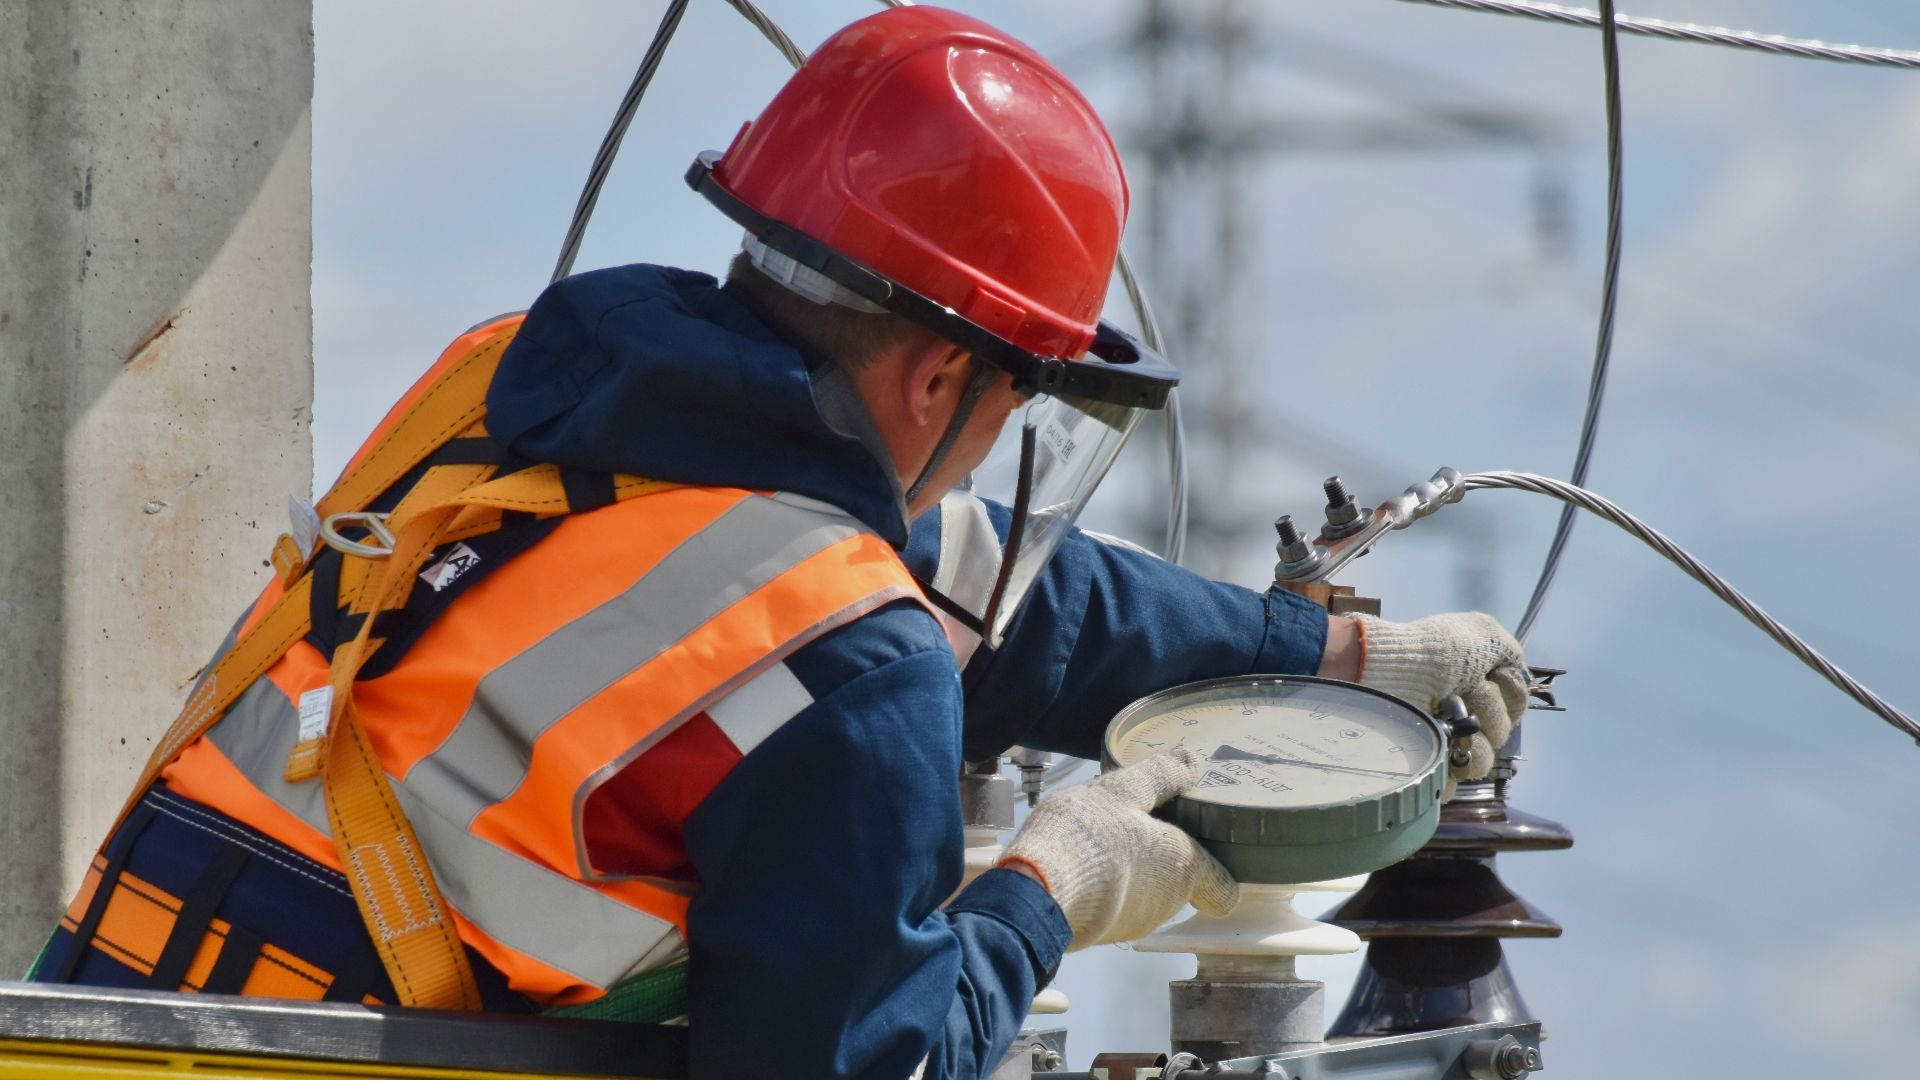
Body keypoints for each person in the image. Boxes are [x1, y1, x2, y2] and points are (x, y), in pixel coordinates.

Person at [30, 7, 1529, 1079]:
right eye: (1018, 402)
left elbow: (1006, 591)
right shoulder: (849, 658)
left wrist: (1331, 655)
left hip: (89, 1021)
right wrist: (1048, 892)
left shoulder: (519, 388)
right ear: (943, 380)